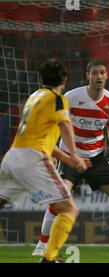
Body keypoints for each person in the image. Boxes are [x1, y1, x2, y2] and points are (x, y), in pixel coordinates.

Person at [31, 60, 109, 256]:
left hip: (96, 158)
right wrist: (54, 149)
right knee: (60, 201)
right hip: (70, 157)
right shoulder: (72, 97)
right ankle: (41, 246)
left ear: (107, 76)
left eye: (102, 73)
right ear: (87, 75)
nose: (99, 77)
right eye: (95, 73)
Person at [0, 58, 90, 263]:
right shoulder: (57, 98)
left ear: (41, 79)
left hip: (12, 157)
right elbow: (66, 126)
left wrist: (68, 158)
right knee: (69, 209)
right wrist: (76, 156)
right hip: (32, 159)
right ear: (65, 80)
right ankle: (49, 259)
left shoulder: (34, 97)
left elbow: (45, 140)